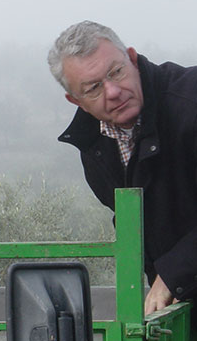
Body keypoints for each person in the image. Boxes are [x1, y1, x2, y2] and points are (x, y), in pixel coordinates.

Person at [48, 20, 197, 315]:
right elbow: (139, 228)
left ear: (132, 58)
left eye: (116, 72)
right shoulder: (95, 147)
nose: (114, 91)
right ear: (75, 101)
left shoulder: (190, 101)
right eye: (93, 88)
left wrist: (172, 275)